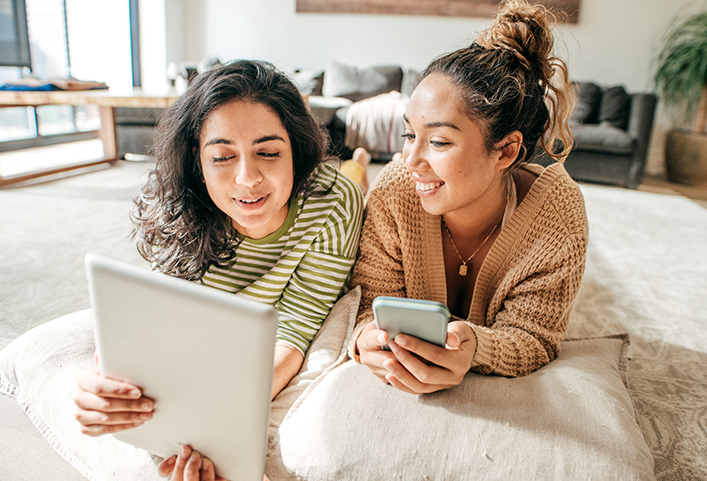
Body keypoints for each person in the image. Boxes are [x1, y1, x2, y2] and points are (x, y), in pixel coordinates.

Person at [72, 59, 364, 480]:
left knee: (354, 176)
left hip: (332, 202)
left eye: (268, 152)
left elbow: (296, 328)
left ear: (296, 151)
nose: (247, 179)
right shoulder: (183, 211)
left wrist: (221, 419)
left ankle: (356, 161)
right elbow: (151, 319)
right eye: (223, 156)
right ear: (199, 160)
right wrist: (104, 384)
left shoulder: (333, 200)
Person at [348, 0, 588, 395]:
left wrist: (478, 347)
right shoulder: (395, 190)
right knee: (351, 187)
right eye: (410, 135)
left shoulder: (557, 218)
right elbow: (367, 301)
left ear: (506, 152)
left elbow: (535, 336)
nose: (411, 160)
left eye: (439, 141)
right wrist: (365, 339)